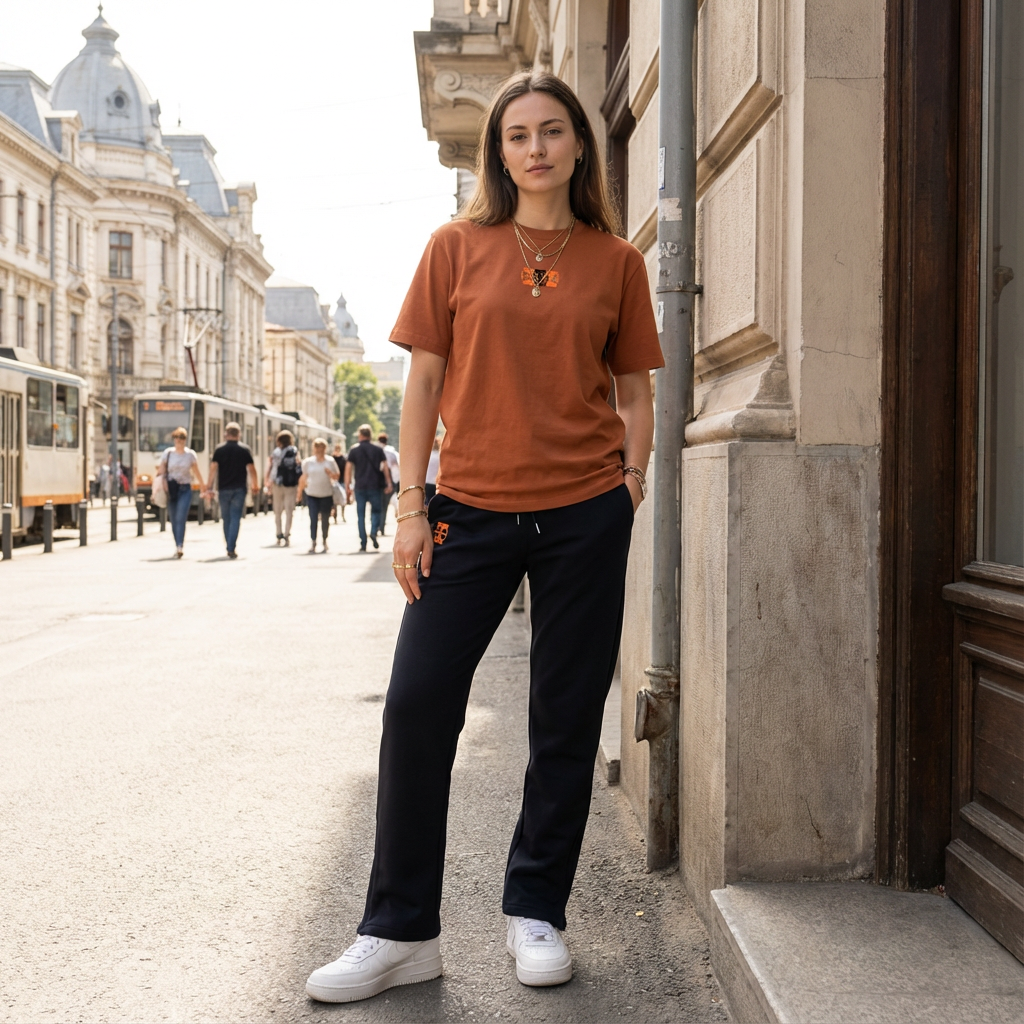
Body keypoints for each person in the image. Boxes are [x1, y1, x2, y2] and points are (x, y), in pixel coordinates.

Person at [305, 70, 662, 1006]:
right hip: (468, 507)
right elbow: (420, 385)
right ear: (497, 152)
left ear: (580, 146)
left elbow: (635, 393)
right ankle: (398, 931)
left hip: (586, 512)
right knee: (418, 705)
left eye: (551, 131)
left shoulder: (616, 261)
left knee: (565, 716)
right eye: (516, 135)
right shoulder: (455, 248)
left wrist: (628, 483)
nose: (535, 148)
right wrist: (411, 507)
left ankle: (536, 908)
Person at [205, 421, 257, 559]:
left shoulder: (219, 449)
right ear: (239, 434)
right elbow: (252, 469)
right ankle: (231, 547)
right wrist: (255, 485)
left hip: (223, 489)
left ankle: (229, 544)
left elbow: (213, 469)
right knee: (236, 518)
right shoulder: (245, 450)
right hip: (239, 489)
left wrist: (208, 486)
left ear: (225, 434)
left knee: (226, 518)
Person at [154, 426, 204, 559]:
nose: (179, 440)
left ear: (185, 440)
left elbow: (196, 471)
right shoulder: (168, 453)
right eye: (176, 437)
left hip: (185, 489)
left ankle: (180, 546)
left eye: (181, 438)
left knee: (181, 517)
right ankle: (177, 544)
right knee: (173, 519)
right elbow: (161, 471)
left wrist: (203, 486)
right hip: (170, 489)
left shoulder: (190, 454)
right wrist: (157, 488)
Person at [344, 425, 393, 552]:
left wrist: (347, 486)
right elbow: (385, 467)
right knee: (376, 511)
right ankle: (373, 532)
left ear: (360, 435)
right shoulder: (377, 449)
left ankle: (363, 542)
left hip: (360, 486)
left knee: (360, 515)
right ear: (370, 435)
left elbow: (348, 469)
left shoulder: (354, 450)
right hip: (375, 486)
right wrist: (389, 483)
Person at [297, 438, 340, 553]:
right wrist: (299, 492)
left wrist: (330, 473)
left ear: (325, 449)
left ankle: (325, 540)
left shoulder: (330, 461)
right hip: (312, 494)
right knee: (313, 518)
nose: (319, 450)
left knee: (325, 519)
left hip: (326, 494)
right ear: (314, 449)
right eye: (317, 447)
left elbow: (337, 476)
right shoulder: (308, 462)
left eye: (321, 448)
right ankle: (313, 541)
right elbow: (303, 478)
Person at [268, 430, 300, 546]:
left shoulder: (276, 452)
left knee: (278, 510)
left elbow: (273, 468)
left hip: (278, 483)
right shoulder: (294, 451)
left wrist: (269, 482)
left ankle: (278, 533)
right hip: (291, 484)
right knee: (289, 510)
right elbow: (298, 467)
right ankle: (287, 534)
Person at [377, 432, 400, 534]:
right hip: (390, 480)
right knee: (384, 505)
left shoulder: (376, 450)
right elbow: (396, 467)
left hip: (378, 481)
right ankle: (381, 527)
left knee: (378, 505)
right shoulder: (391, 452)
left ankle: (377, 526)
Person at [330, 442, 347, 523]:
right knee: (335, 501)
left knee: (343, 499)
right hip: (334, 481)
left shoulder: (343, 458)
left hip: (342, 481)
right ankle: (335, 516)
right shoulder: (332, 458)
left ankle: (343, 515)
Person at [424, 436, 441, 502]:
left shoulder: (428, 455)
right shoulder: (440, 456)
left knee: (425, 501)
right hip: (435, 483)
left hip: (426, 481)